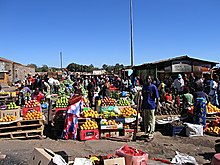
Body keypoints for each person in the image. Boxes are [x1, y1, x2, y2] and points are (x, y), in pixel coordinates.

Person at [141, 75, 159, 142]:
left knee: (151, 121)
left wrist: (157, 106)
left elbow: (157, 97)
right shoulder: (144, 87)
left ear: (151, 80)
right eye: (147, 79)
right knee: (146, 121)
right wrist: (142, 106)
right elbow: (143, 98)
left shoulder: (153, 87)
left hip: (151, 106)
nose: (148, 80)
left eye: (149, 79)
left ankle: (151, 134)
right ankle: (147, 132)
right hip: (145, 106)